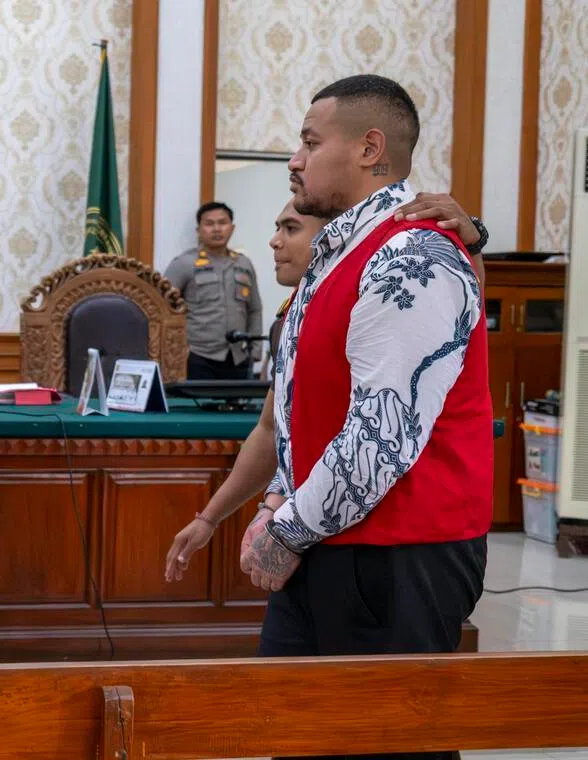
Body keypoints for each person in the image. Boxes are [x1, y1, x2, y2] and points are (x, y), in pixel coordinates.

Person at [238, 75, 492, 751]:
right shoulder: (341, 251)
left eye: (310, 142)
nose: (294, 159)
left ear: (369, 148)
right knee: (295, 734)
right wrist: (278, 498)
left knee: (385, 745)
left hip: (397, 556)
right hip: (327, 539)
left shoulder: (412, 255)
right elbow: (301, 406)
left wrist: (286, 529)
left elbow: (380, 437)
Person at [164, 192, 485, 583]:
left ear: (332, 238)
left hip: (399, 538)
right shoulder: (294, 313)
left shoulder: (382, 290)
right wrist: (244, 509)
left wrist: (285, 527)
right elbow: (277, 429)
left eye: (291, 229)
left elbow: (380, 433)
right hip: (319, 529)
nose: (275, 241)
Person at [164, 202, 262, 379]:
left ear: (232, 228)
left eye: (222, 223)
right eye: (209, 224)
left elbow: (254, 309)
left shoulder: (244, 263)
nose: (217, 229)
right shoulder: (183, 263)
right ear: (199, 230)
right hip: (197, 357)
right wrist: (174, 350)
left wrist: (255, 349)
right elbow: (163, 309)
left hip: (238, 357)